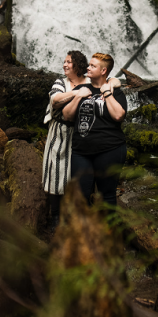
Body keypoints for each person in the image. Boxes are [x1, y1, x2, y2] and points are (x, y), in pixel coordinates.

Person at [42, 51, 120, 229]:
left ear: (77, 65)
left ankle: (78, 214)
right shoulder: (61, 83)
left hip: (81, 133)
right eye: (64, 62)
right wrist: (77, 94)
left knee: (76, 175)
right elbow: (55, 100)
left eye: (68, 62)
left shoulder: (89, 81)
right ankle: (55, 215)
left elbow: (112, 80)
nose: (64, 65)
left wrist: (112, 84)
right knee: (56, 171)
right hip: (60, 131)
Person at [62, 53, 128, 207]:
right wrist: (79, 96)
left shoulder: (116, 91)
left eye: (92, 66)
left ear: (103, 71)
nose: (87, 68)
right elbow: (67, 115)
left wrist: (106, 92)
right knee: (80, 195)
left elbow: (119, 116)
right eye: (89, 65)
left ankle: (109, 230)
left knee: (107, 195)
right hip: (81, 151)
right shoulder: (81, 88)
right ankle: (84, 231)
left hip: (110, 149)